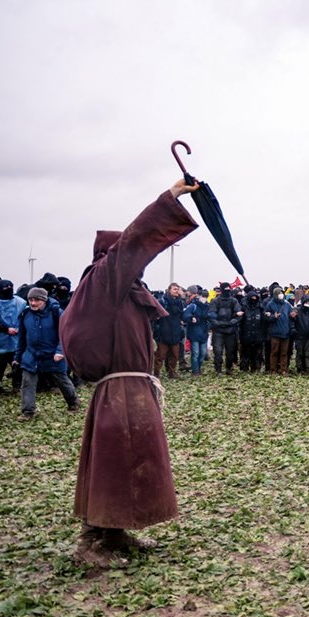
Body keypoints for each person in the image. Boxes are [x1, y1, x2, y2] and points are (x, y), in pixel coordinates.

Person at [59, 175, 199, 567]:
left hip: (133, 389)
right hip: (119, 392)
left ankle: (116, 535)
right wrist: (170, 198)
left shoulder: (123, 289)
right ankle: (92, 543)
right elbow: (136, 240)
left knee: (129, 462)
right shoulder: (105, 278)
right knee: (113, 464)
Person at [15, 286, 80, 420]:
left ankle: (73, 403)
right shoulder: (25, 314)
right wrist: (17, 357)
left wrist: (60, 351)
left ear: (44, 300)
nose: (33, 303)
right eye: (30, 300)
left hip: (53, 355)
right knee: (27, 382)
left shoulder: (57, 313)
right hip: (31, 355)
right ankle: (28, 412)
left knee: (61, 380)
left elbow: (65, 334)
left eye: (37, 300)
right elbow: (22, 338)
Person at [0, 278, 26, 395]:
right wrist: (6, 329)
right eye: (5, 287)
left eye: (10, 287)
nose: (8, 289)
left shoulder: (20, 302)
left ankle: (17, 387)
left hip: (16, 340)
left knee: (17, 364)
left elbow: (25, 317)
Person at [153, 283, 185, 378]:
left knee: (175, 355)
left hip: (175, 332)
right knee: (160, 356)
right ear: (169, 290)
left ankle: (172, 372)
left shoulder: (180, 302)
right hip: (164, 332)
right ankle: (156, 374)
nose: (176, 291)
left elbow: (182, 315)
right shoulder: (162, 301)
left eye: (178, 289)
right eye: (175, 289)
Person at [208, 284, 241, 374]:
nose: (228, 292)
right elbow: (211, 315)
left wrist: (232, 322)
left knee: (230, 352)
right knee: (218, 352)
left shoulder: (234, 301)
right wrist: (219, 324)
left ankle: (228, 368)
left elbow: (239, 314)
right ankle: (218, 369)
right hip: (218, 331)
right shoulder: (215, 301)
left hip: (230, 330)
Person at [181, 285, 210, 376]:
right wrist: (191, 318)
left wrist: (210, 323)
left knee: (203, 353)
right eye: (202, 296)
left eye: (205, 297)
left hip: (204, 332)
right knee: (195, 353)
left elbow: (212, 316)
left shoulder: (208, 306)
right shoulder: (193, 306)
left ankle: (198, 367)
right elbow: (185, 315)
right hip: (194, 332)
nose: (204, 298)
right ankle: (195, 370)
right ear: (199, 296)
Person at [263, 286, 293, 375]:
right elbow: (266, 317)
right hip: (275, 333)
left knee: (284, 352)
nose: (281, 295)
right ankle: (273, 370)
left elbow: (291, 313)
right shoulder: (270, 304)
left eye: (282, 293)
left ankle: (283, 369)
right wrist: (273, 317)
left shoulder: (287, 304)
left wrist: (293, 315)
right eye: (280, 293)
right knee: (274, 352)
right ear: (276, 294)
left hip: (285, 332)